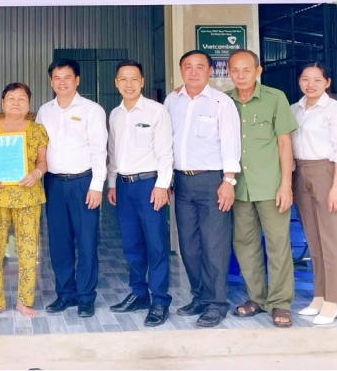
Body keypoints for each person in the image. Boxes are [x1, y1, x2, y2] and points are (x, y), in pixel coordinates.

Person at [164, 50, 241, 328]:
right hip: (181, 182)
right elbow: (165, 141)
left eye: (200, 67)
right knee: (189, 244)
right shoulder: (171, 101)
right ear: (181, 70)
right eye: (188, 66)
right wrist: (166, 178)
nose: (193, 71)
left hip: (212, 182)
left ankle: (217, 303)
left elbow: (231, 142)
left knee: (214, 244)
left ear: (210, 71)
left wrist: (228, 181)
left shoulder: (221, 102)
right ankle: (199, 296)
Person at [226, 49, 299, 328]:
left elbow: (284, 143)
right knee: (244, 244)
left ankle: (280, 302)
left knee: (278, 244)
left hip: (271, 186)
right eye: (235, 70)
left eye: (247, 70)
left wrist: (286, 184)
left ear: (258, 71)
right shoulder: (224, 101)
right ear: (228, 72)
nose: (241, 75)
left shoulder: (275, 98)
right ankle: (256, 298)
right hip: (239, 187)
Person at [36, 58, 108, 318]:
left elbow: (99, 150)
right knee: (59, 242)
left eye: (67, 77)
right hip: (54, 183)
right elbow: (38, 148)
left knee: (87, 241)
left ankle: (86, 296)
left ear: (77, 80)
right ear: (51, 82)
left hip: (83, 183)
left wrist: (97, 186)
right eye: (57, 78)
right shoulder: (44, 111)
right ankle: (65, 293)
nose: (62, 82)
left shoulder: (92, 110)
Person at [107, 61, 173, 327]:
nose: (129, 84)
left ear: (142, 82)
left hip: (149, 185)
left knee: (156, 244)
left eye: (134, 79)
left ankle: (160, 300)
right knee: (132, 244)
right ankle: (139, 293)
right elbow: (113, 152)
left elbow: (166, 151)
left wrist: (162, 185)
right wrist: (112, 182)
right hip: (124, 186)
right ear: (116, 83)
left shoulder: (157, 111)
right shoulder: (115, 114)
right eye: (123, 79)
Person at [291, 63, 337, 326]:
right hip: (301, 172)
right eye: (305, 79)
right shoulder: (294, 110)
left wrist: (336, 187)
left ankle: (334, 299)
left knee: (332, 240)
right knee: (314, 239)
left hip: (328, 173)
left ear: (327, 82)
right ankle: (319, 295)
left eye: (317, 80)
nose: (310, 84)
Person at [0, 83, 48, 319]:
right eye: (11, 98)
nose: (16, 103)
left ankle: (24, 302)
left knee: (27, 250)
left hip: (28, 197)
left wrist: (36, 173)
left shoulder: (37, 130)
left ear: (29, 104)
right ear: (3, 102)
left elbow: (42, 162)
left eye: (22, 98)